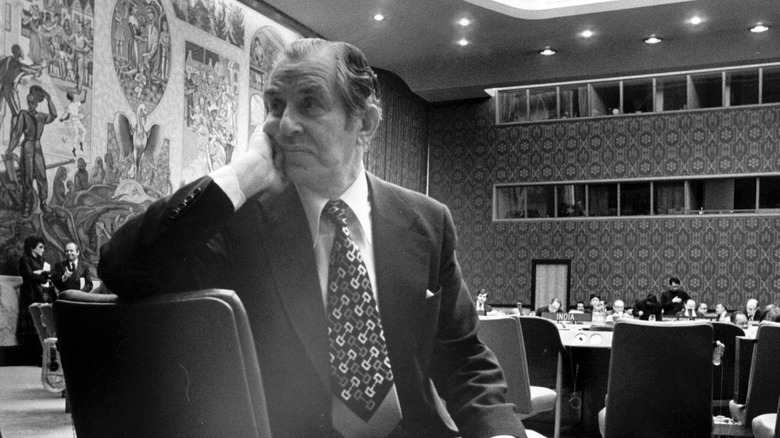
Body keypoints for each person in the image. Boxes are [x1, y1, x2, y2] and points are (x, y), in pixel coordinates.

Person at [98, 39, 525, 438]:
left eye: (310, 104)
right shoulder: (239, 222)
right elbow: (123, 268)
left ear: (366, 124)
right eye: (275, 105)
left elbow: (464, 358)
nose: (285, 125)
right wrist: (243, 175)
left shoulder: (427, 222)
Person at [5, 85, 57, 216]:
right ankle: (27, 206)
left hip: (38, 147)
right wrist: (10, 149)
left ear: (36, 103)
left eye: (33, 103)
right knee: (27, 177)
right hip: (27, 146)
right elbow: (17, 134)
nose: (30, 105)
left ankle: (44, 203)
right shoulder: (23, 114)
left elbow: (54, 115)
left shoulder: (41, 116)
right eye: (29, 102)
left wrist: (49, 100)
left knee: (42, 176)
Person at [17, 236, 53, 357]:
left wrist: (39, 274)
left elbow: (46, 276)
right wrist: (39, 275)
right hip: (30, 294)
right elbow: (28, 276)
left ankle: (43, 354)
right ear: (32, 248)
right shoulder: (24, 259)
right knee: (34, 323)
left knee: (43, 323)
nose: (43, 249)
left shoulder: (41, 260)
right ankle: (36, 355)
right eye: (40, 247)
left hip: (41, 292)